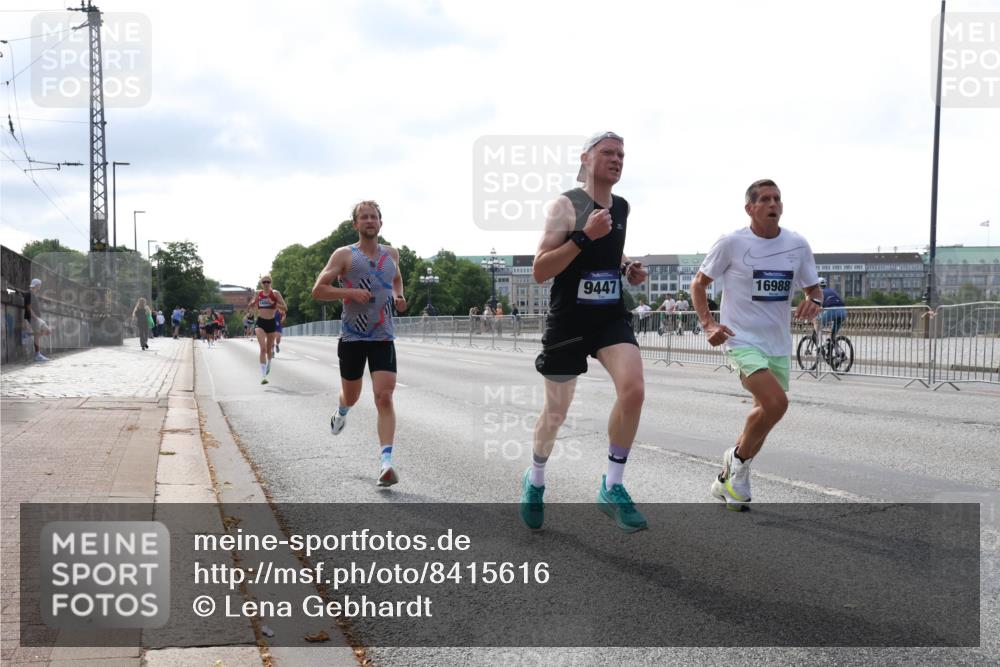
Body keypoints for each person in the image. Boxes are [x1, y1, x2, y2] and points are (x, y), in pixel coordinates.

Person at [521, 131, 649, 533]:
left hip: (609, 317)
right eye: (608, 153)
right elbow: (541, 270)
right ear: (586, 159)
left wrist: (628, 267)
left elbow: (608, 252)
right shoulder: (567, 204)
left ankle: (612, 486)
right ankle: (535, 478)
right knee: (556, 412)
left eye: (621, 154)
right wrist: (581, 236)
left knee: (634, 389)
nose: (616, 159)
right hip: (569, 321)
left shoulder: (623, 207)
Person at [690, 179, 823, 511]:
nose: (773, 204)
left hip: (777, 342)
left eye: (777, 199)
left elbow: (814, 289)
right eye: (765, 199)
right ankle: (738, 463)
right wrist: (709, 324)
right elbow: (699, 283)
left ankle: (729, 478)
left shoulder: (797, 244)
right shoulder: (732, 243)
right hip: (741, 339)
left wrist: (815, 302)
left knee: (764, 413)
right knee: (777, 404)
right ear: (750, 208)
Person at [311, 200, 408, 487]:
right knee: (351, 396)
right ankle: (341, 411)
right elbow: (318, 290)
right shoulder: (344, 255)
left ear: (380, 222)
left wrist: (398, 296)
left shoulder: (391, 254)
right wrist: (351, 292)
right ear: (356, 224)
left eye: (374, 216)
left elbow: (397, 280)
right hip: (353, 337)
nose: (369, 221)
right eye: (363, 217)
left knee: (385, 396)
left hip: (383, 336)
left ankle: (385, 463)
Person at [249, 276, 287, 384]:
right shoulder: (258, 293)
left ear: (271, 283)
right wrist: (253, 303)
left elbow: (285, 308)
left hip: (271, 323)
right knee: (263, 349)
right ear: (261, 284)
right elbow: (251, 307)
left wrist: (273, 303)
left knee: (269, 350)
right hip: (260, 322)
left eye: (268, 282)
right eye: (264, 282)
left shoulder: (275, 294)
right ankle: (263, 376)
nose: (266, 284)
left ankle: (269, 362)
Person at [23, 278, 51, 361]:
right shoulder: (28, 294)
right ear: (37, 285)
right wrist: (34, 317)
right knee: (38, 335)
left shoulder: (34, 294)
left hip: (37, 318)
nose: (40, 287)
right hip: (33, 318)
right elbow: (28, 307)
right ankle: (37, 355)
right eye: (40, 285)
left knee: (47, 331)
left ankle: (30, 335)